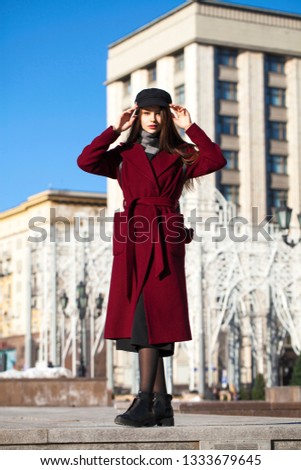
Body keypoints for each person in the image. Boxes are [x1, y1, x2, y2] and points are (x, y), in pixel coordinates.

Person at [77, 88, 226, 427]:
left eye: (160, 112)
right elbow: (85, 161)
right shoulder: (123, 153)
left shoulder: (181, 153)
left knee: (151, 316)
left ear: (167, 116)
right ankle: (162, 404)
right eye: (147, 112)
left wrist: (192, 128)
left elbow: (216, 159)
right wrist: (114, 130)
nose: (154, 118)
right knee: (143, 316)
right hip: (133, 238)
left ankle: (145, 401)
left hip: (164, 237)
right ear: (138, 115)